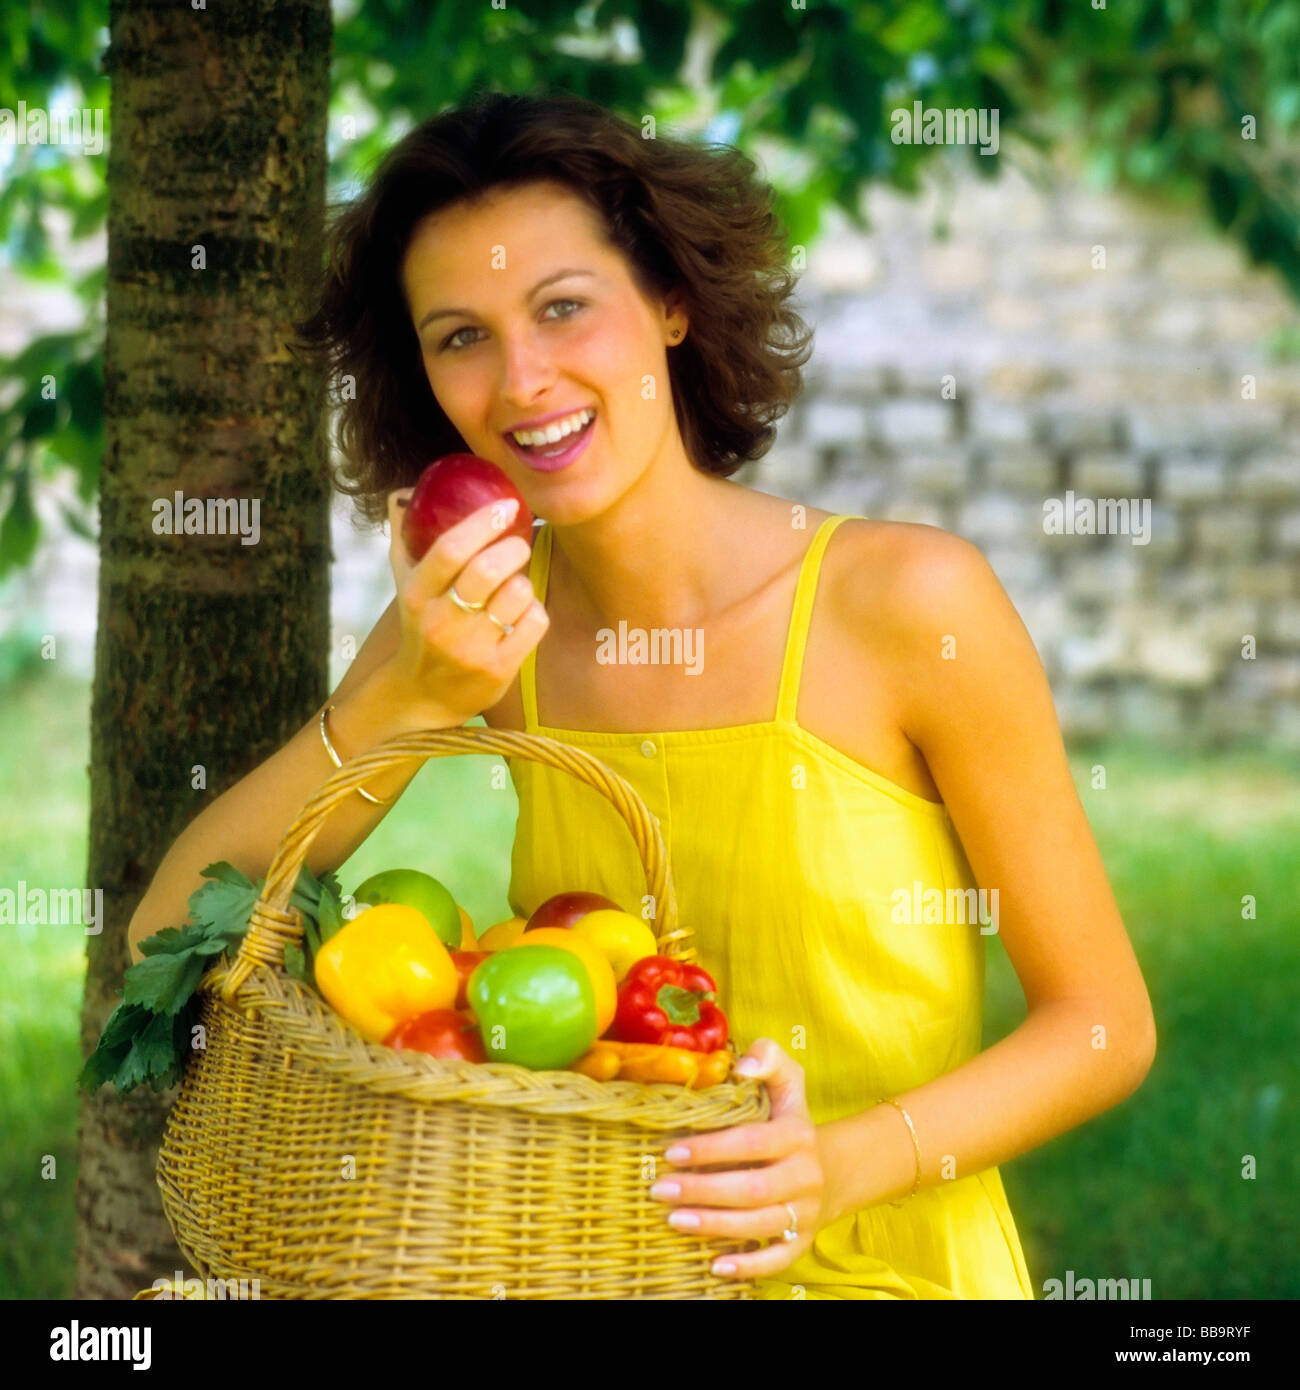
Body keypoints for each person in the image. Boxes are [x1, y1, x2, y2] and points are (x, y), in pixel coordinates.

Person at [130, 90, 1157, 1299]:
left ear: (669, 302)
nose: (523, 380)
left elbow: (1101, 1026)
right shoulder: (480, 627)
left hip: (889, 1267)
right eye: (460, 336)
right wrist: (409, 696)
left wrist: (836, 1165)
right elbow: (172, 938)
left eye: (564, 308)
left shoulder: (907, 603)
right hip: (587, 1266)